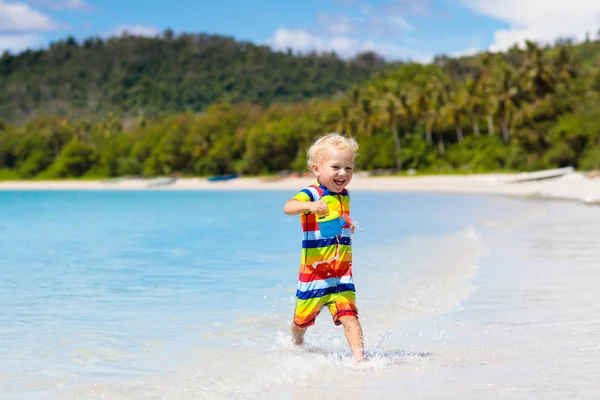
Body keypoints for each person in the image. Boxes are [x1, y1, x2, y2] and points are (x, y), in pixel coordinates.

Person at [283, 132, 365, 362]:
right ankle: (296, 342)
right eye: (336, 167)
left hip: (341, 273)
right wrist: (310, 205)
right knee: (302, 320)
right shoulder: (312, 192)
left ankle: (360, 359)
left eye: (348, 168)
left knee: (349, 315)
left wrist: (347, 224)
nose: (343, 174)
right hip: (314, 274)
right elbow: (288, 207)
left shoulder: (344, 195)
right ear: (317, 169)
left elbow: (339, 220)